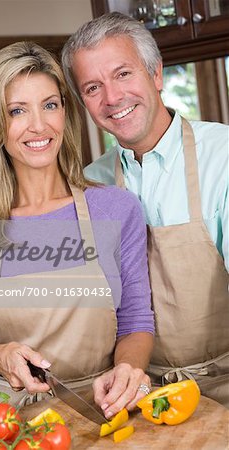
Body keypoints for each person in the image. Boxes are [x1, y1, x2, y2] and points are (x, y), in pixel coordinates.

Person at [0, 41, 154, 416]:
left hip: (103, 412)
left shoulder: (116, 209)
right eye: (17, 110)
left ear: (65, 112)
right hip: (9, 426)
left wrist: (127, 370)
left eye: (50, 105)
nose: (39, 125)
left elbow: (136, 321)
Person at [62, 12, 229, 407]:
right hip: (137, 394)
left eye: (123, 74)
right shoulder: (89, 186)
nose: (112, 98)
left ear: (156, 75)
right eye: (92, 87)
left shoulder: (223, 156)